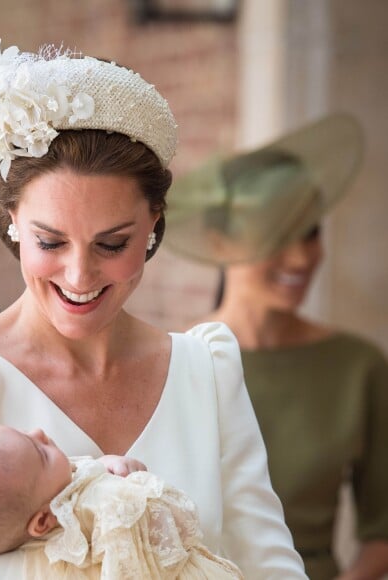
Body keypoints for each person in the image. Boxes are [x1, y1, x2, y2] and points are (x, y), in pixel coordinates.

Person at [0, 38, 308, 579]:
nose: (79, 277)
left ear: (154, 226)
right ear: (12, 220)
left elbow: (271, 567)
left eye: (112, 244)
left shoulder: (207, 371)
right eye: (50, 242)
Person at [164, 113, 388, 579]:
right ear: (217, 241)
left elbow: (382, 529)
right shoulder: (176, 362)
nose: (301, 257)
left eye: (309, 233)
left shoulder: (357, 367)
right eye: (277, 235)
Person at [0, 423, 244, 579]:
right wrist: (134, 489)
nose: (40, 433)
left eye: (25, 433)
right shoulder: (93, 520)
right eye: (40, 452)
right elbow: (170, 527)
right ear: (43, 521)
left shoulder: (57, 492)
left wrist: (109, 468)